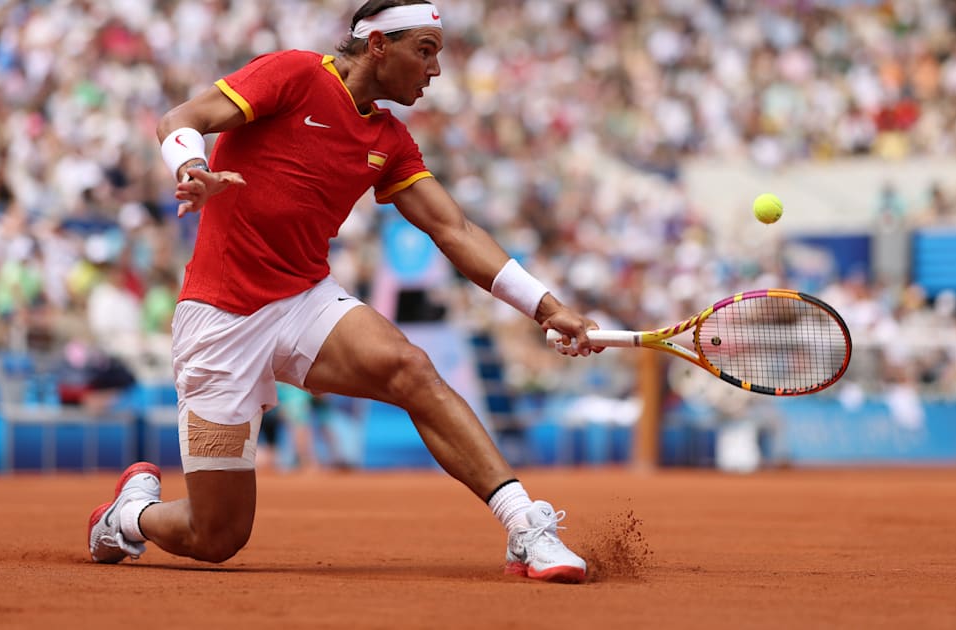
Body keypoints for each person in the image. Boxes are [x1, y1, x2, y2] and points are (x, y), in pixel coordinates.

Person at [86, 0, 601, 584]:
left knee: (410, 368)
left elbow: (454, 229)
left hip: (303, 300)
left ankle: (525, 526)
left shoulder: (390, 137)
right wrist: (191, 167)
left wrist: (548, 307)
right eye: (424, 52)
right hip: (218, 320)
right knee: (217, 536)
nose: (435, 71)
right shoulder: (295, 74)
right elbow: (180, 118)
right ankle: (131, 516)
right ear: (379, 45)